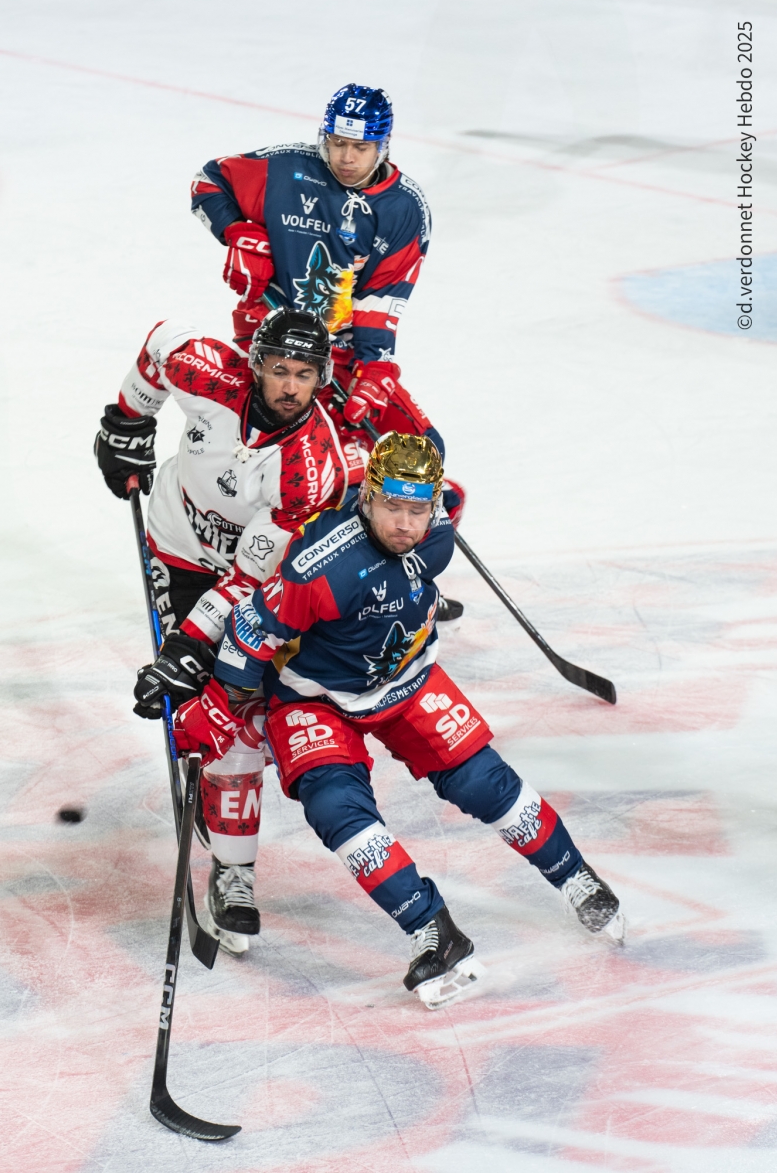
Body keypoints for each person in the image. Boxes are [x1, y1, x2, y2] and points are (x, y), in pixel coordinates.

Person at [172, 432, 625, 1008]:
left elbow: (444, 493)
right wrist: (218, 704)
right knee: (334, 806)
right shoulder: (320, 568)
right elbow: (247, 637)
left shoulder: (438, 531)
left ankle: (575, 875)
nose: (405, 524)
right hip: (313, 696)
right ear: (367, 499)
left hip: (407, 679)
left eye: (418, 509)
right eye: (392, 507)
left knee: (484, 781)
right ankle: (432, 929)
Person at [94, 307, 348, 953]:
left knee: (238, 712)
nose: (291, 387)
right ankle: (220, 828)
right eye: (279, 370)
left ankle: (232, 868)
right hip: (176, 547)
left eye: (305, 374)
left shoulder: (312, 468)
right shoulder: (207, 370)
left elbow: (248, 578)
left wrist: (189, 644)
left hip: (253, 585)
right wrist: (129, 417)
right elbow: (158, 344)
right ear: (255, 364)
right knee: (195, 706)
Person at [190, 83, 466, 619]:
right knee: (318, 471)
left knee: (422, 452)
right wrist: (239, 233)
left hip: (339, 355)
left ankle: (393, 578)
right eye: (337, 143)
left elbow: (383, 297)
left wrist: (375, 364)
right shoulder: (286, 171)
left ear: (383, 147)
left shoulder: (404, 208)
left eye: (359, 148)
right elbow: (208, 181)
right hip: (272, 350)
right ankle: (298, 583)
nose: (345, 157)